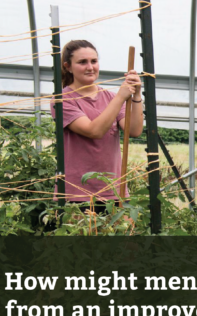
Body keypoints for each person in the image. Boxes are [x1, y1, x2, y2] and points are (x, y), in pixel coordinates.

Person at [51, 40, 143, 209]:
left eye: (94, 61)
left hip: (114, 191)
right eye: (82, 62)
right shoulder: (63, 100)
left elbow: (135, 130)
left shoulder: (110, 97)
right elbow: (94, 131)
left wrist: (137, 95)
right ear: (68, 66)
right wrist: (121, 97)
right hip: (77, 194)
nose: (90, 67)